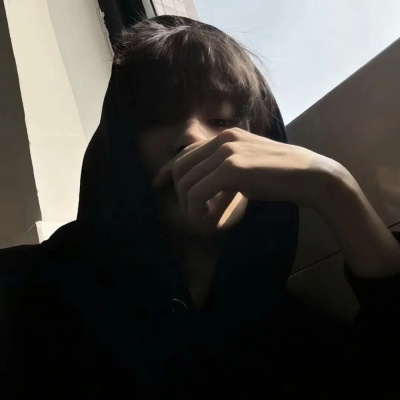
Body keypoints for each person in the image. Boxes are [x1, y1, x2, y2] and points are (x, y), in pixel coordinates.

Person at [1, 15, 400, 399]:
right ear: (121, 149)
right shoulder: (23, 291)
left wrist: (336, 189)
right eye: (157, 117)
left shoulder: (296, 346)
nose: (193, 136)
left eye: (223, 120)